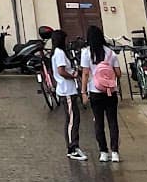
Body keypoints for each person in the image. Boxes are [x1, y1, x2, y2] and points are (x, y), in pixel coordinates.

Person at [80, 23, 121, 163]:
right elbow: (118, 73)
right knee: (113, 121)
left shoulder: (86, 53)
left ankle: (103, 152)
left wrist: (83, 92)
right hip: (110, 91)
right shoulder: (110, 52)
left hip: (95, 91)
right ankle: (115, 151)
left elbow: (85, 74)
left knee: (98, 122)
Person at [51, 29, 86, 160]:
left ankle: (74, 146)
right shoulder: (59, 53)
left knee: (74, 118)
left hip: (68, 90)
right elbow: (61, 71)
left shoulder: (58, 53)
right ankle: (72, 148)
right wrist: (73, 75)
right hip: (67, 90)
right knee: (72, 119)